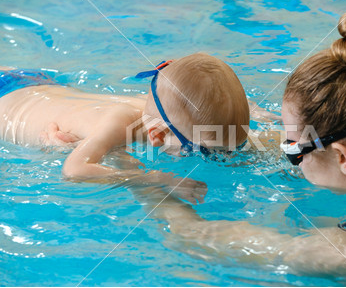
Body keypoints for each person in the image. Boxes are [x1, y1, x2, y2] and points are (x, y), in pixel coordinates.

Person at [133, 10, 346, 284]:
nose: (287, 152)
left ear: (343, 157)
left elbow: (189, 235)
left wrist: (134, 177)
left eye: (293, 147)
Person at [0, 53, 250, 202]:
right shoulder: (118, 123)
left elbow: (206, 101)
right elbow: (74, 170)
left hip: (34, 80)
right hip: (7, 107)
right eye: (203, 151)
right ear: (157, 135)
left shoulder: (162, 108)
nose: (220, 158)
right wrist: (157, 178)